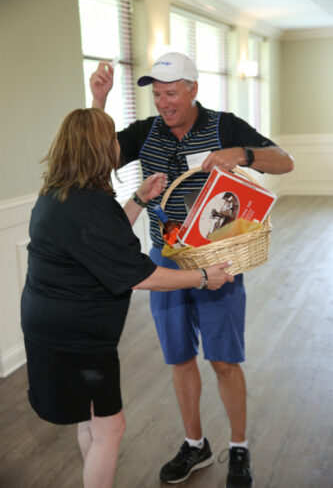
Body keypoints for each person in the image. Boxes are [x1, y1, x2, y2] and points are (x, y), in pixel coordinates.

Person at [90, 52, 294, 487]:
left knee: (222, 360)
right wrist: (99, 100)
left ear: (193, 90)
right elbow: (92, 157)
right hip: (165, 261)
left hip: (218, 264)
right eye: (157, 94)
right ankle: (194, 444)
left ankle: (238, 448)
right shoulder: (145, 133)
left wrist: (239, 153)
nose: (163, 103)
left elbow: (284, 161)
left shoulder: (224, 124)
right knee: (179, 359)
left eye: (171, 93)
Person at [20, 107, 234, 488]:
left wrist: (137, 197)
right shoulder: (88, 206)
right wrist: (203, 277)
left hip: (49, 327)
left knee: (89, 418)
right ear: (98, 148)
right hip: (79, 339)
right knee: (110, 427)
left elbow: (101, 240)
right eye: (111, 141)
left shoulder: (59, 195)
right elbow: (143, 274)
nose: (116, 147)